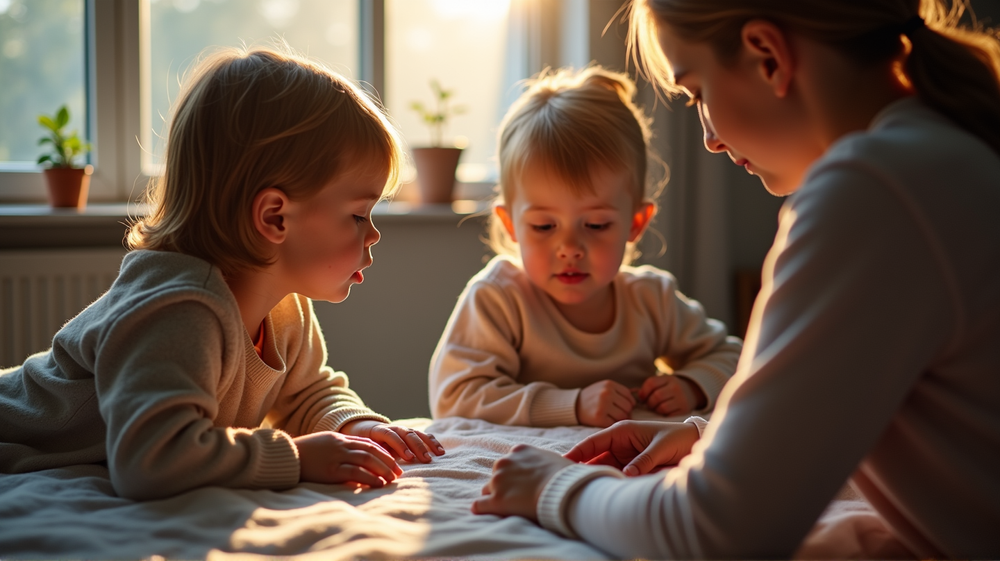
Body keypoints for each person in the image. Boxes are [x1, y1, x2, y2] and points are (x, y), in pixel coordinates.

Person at [472, 0, 1000, 558]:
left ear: (767, 56)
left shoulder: (874, 190)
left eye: (697, 93)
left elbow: (710, 533)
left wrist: (556, 487)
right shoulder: (946, 155)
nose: (709, 140)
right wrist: (708, 436)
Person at [0, 47, 444, 501]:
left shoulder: (285, 306)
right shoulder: (178, 308)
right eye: (358, 215)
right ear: (275, 218)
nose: (373, 235)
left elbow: (307, 392)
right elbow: (150, 461)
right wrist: (297, 457)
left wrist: (356, 424)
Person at [428, 66, 742, 428]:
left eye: (595, 225)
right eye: (544, 225)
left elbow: (734, 356)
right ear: (511, 225)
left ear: (635, 223)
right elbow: (454, 398)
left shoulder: (651, 299)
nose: (570, 248)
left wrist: (692, 385)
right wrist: (570, 405)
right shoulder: (498, 299)